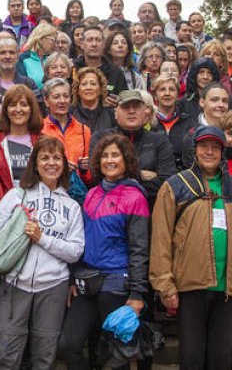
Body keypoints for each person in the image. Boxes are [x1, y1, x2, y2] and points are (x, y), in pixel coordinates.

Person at [0, 135, 85, 370]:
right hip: (14, 283)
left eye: (56, 158)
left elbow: (75, 251)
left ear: (64, 163)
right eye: (44, 158)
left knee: (44, 357)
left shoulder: (72, 206)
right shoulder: (16, 195)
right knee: (5, 355)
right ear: (35, 163)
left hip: (53, 286)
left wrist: (43, 239)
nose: (51, 163)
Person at [150, 126, 232, 370]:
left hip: (228, 289)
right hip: (189, 286)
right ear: (194, 149)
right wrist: (165, 285)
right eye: (204, 146)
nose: (209, 151)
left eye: (215, 147)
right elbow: (160, 239)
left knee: (221, 359)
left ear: (222, 152)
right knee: (191, 358)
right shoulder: (175, 185)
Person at [58, 133, 152, 370]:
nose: (110, 160)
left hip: (117, 284)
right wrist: (73, 277)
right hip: (86, 282)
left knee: (113, 357)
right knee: (68, 344)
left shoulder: (135, 197)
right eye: (105, 155)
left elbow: (140, 248)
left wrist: (138, 293)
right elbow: (81, 240)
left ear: (126, 160)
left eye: (115, 155)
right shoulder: (92, 194)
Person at [90, 89, 176, 201]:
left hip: (148, 208)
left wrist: (119, 179)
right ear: (116, 113)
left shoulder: (160, 141)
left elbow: (167, 181)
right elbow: (98, 176)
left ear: (145, 111)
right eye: (126, 107)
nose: (131, 111)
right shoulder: (101, 138)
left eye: (136, 107)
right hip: (108, 207)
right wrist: (140, 175)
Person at [0, 85, 45, 215]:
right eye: (13, 105)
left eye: (24, 104)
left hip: (37, 212)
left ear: (31, 109)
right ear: (6, 110)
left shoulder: (42, 142)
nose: (18, 109)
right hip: (0, 212)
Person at [41, 77, 91, 178]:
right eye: (56, 97)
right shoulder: (40, 129)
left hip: (77, 190)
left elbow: (89, 176)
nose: (62, 101)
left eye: (66, 96)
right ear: (46, 101)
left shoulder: (83, 129)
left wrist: (84, 169)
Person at [71, 66, 116, 136]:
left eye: (93, 84)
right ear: (77, 90)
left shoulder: (112, 115)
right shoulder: (69, 114)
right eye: (84, 84)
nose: (88, 88)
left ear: (101, 89)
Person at [20, 22, 57, 89]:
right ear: (41, 40)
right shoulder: (23, 59)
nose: (56, 44)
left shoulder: (55, 59)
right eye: (53, 40)